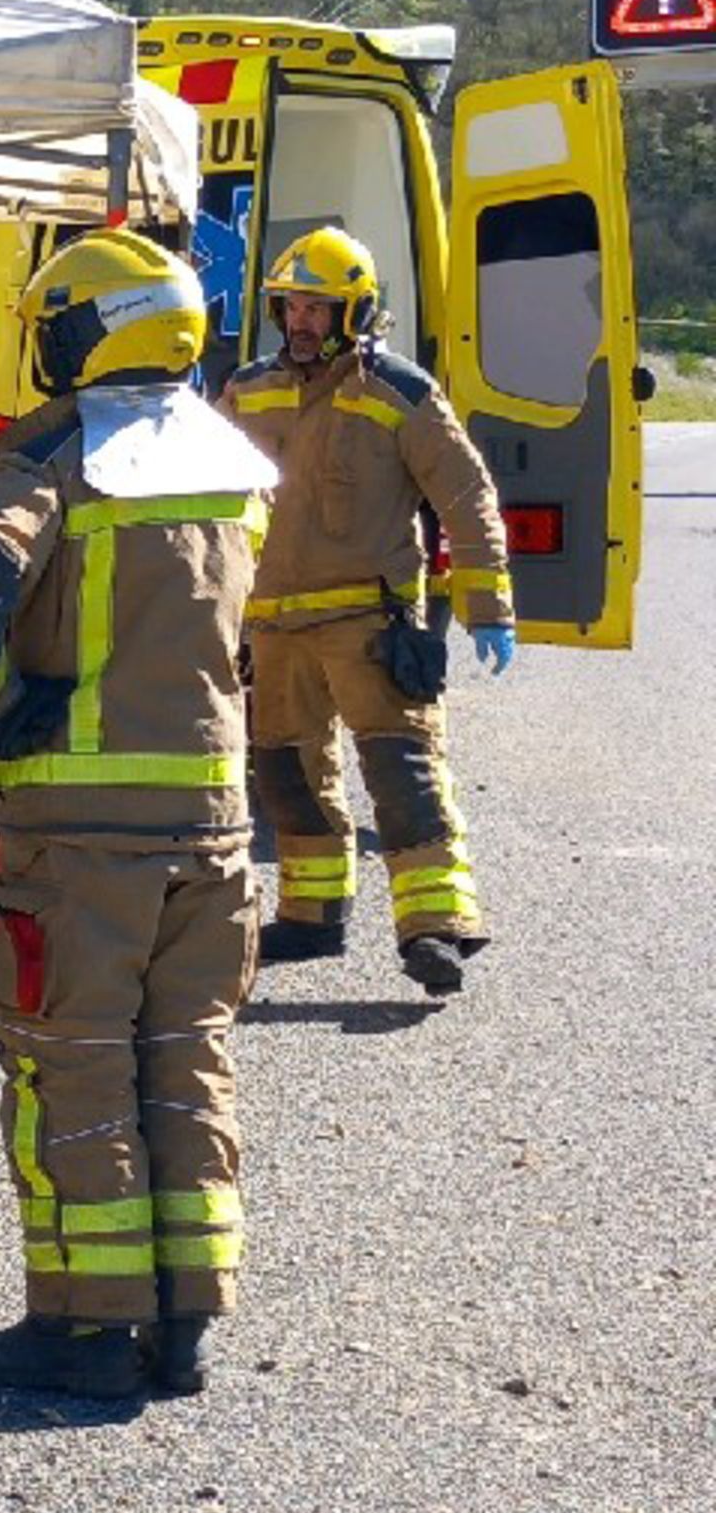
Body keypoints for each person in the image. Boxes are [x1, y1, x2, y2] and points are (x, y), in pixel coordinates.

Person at [0, 230, 275, 1399]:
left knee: (70, 1069)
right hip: (213, 829)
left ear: (84, 335)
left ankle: (83, 1328)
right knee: (187, 1064)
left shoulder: (58, 459)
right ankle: (184, 1326)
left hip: (83, 836)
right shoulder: (231, 462)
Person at [219, 227, 515, 996]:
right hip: (273, 629)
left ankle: (437, 928)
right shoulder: (246, 390)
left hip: (369, 626)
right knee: (287, 778)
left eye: (318, 308)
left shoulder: (398, 393)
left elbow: (466, 493)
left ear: (354, 312)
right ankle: (313, 918)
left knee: (403, 775)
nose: (301, 322)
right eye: (292, 307)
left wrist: (488, 602)